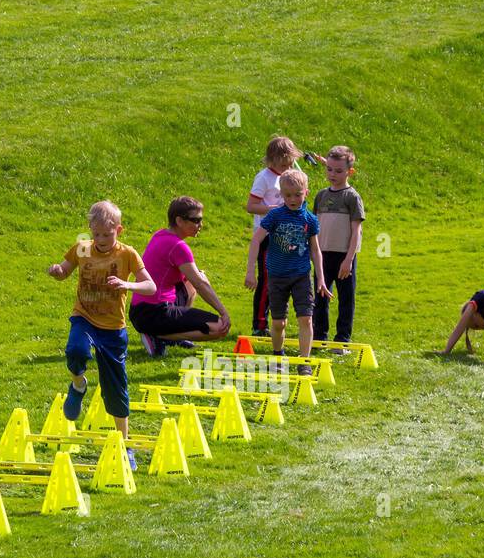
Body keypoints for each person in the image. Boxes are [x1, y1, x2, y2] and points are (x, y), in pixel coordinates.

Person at [47, 201, 156, 469]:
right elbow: (65, 270)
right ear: (90, 231)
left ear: (119, 229)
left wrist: (126, 283)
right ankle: (78, 385)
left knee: (115, 388)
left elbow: (150, 286)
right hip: (84, 316)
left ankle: (125, 444)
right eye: (97, 234)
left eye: (108, 234)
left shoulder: (127, 254)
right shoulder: (82, 247)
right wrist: (57, 272)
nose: (102, 240)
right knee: (75, 351)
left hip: (113, 327)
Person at [244, 169, 329, 373]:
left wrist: (321, 279)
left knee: (306, 318)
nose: (292, 199)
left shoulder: (310, 219)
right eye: (288, 195)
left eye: (297, 194)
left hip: (301, 275)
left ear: (306, 192)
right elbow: (256, 239)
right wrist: (250, 271)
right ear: (281, 194)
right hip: (277, 276)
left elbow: (316, 250)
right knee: (279, 323)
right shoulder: (274, 216)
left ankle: (304, 363)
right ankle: (278, 356)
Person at [130, 196, 232, 357]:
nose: (200, 225)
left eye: (201, 219)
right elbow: (200, 284)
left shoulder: (161, 234)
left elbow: (197, 280)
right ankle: (157, 336)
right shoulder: (178, 246)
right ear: (179, 221)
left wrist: (201, 279)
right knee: (219, 327)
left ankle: (169, 335)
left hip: (141, 310)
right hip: (152, 313)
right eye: (196, 220)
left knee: (194, 280)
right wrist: (223, 312)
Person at [245, 136, 315, 335]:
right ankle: (259, 324)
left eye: (290, 163)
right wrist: (274, 209)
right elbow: (251, 206)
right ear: (272, 160)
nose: (287, 167)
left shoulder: (290, 175)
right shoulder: (264, 178)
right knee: (268, 278)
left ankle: (287, 320)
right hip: (268, 235)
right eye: (283, 164)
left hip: (289, 236)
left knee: (291, 276)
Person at [311, 145, 364, 350]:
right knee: (320, 298)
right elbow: (314, 227)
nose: (333, 174)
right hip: (322, 256)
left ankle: (342, 339)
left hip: (344, 257)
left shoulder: (352, 197)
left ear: (350, 172)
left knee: (345, 300)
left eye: (338, 171)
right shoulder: (321, 195)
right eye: (329, 169)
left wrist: (348, 260)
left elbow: (356, 231)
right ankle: (319, 335)